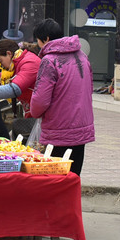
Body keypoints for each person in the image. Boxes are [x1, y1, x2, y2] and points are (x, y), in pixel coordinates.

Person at [27, 18, 95, 175]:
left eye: (38, 40)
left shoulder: (49, 61)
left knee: (54, 178)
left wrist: (34, 112)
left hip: (58, 130)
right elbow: (89, 89)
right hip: (81, 128)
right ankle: (72, 201)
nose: (38, 44)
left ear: (46, 39)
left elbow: (40, 100)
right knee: (73, 176)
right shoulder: (83, 57)